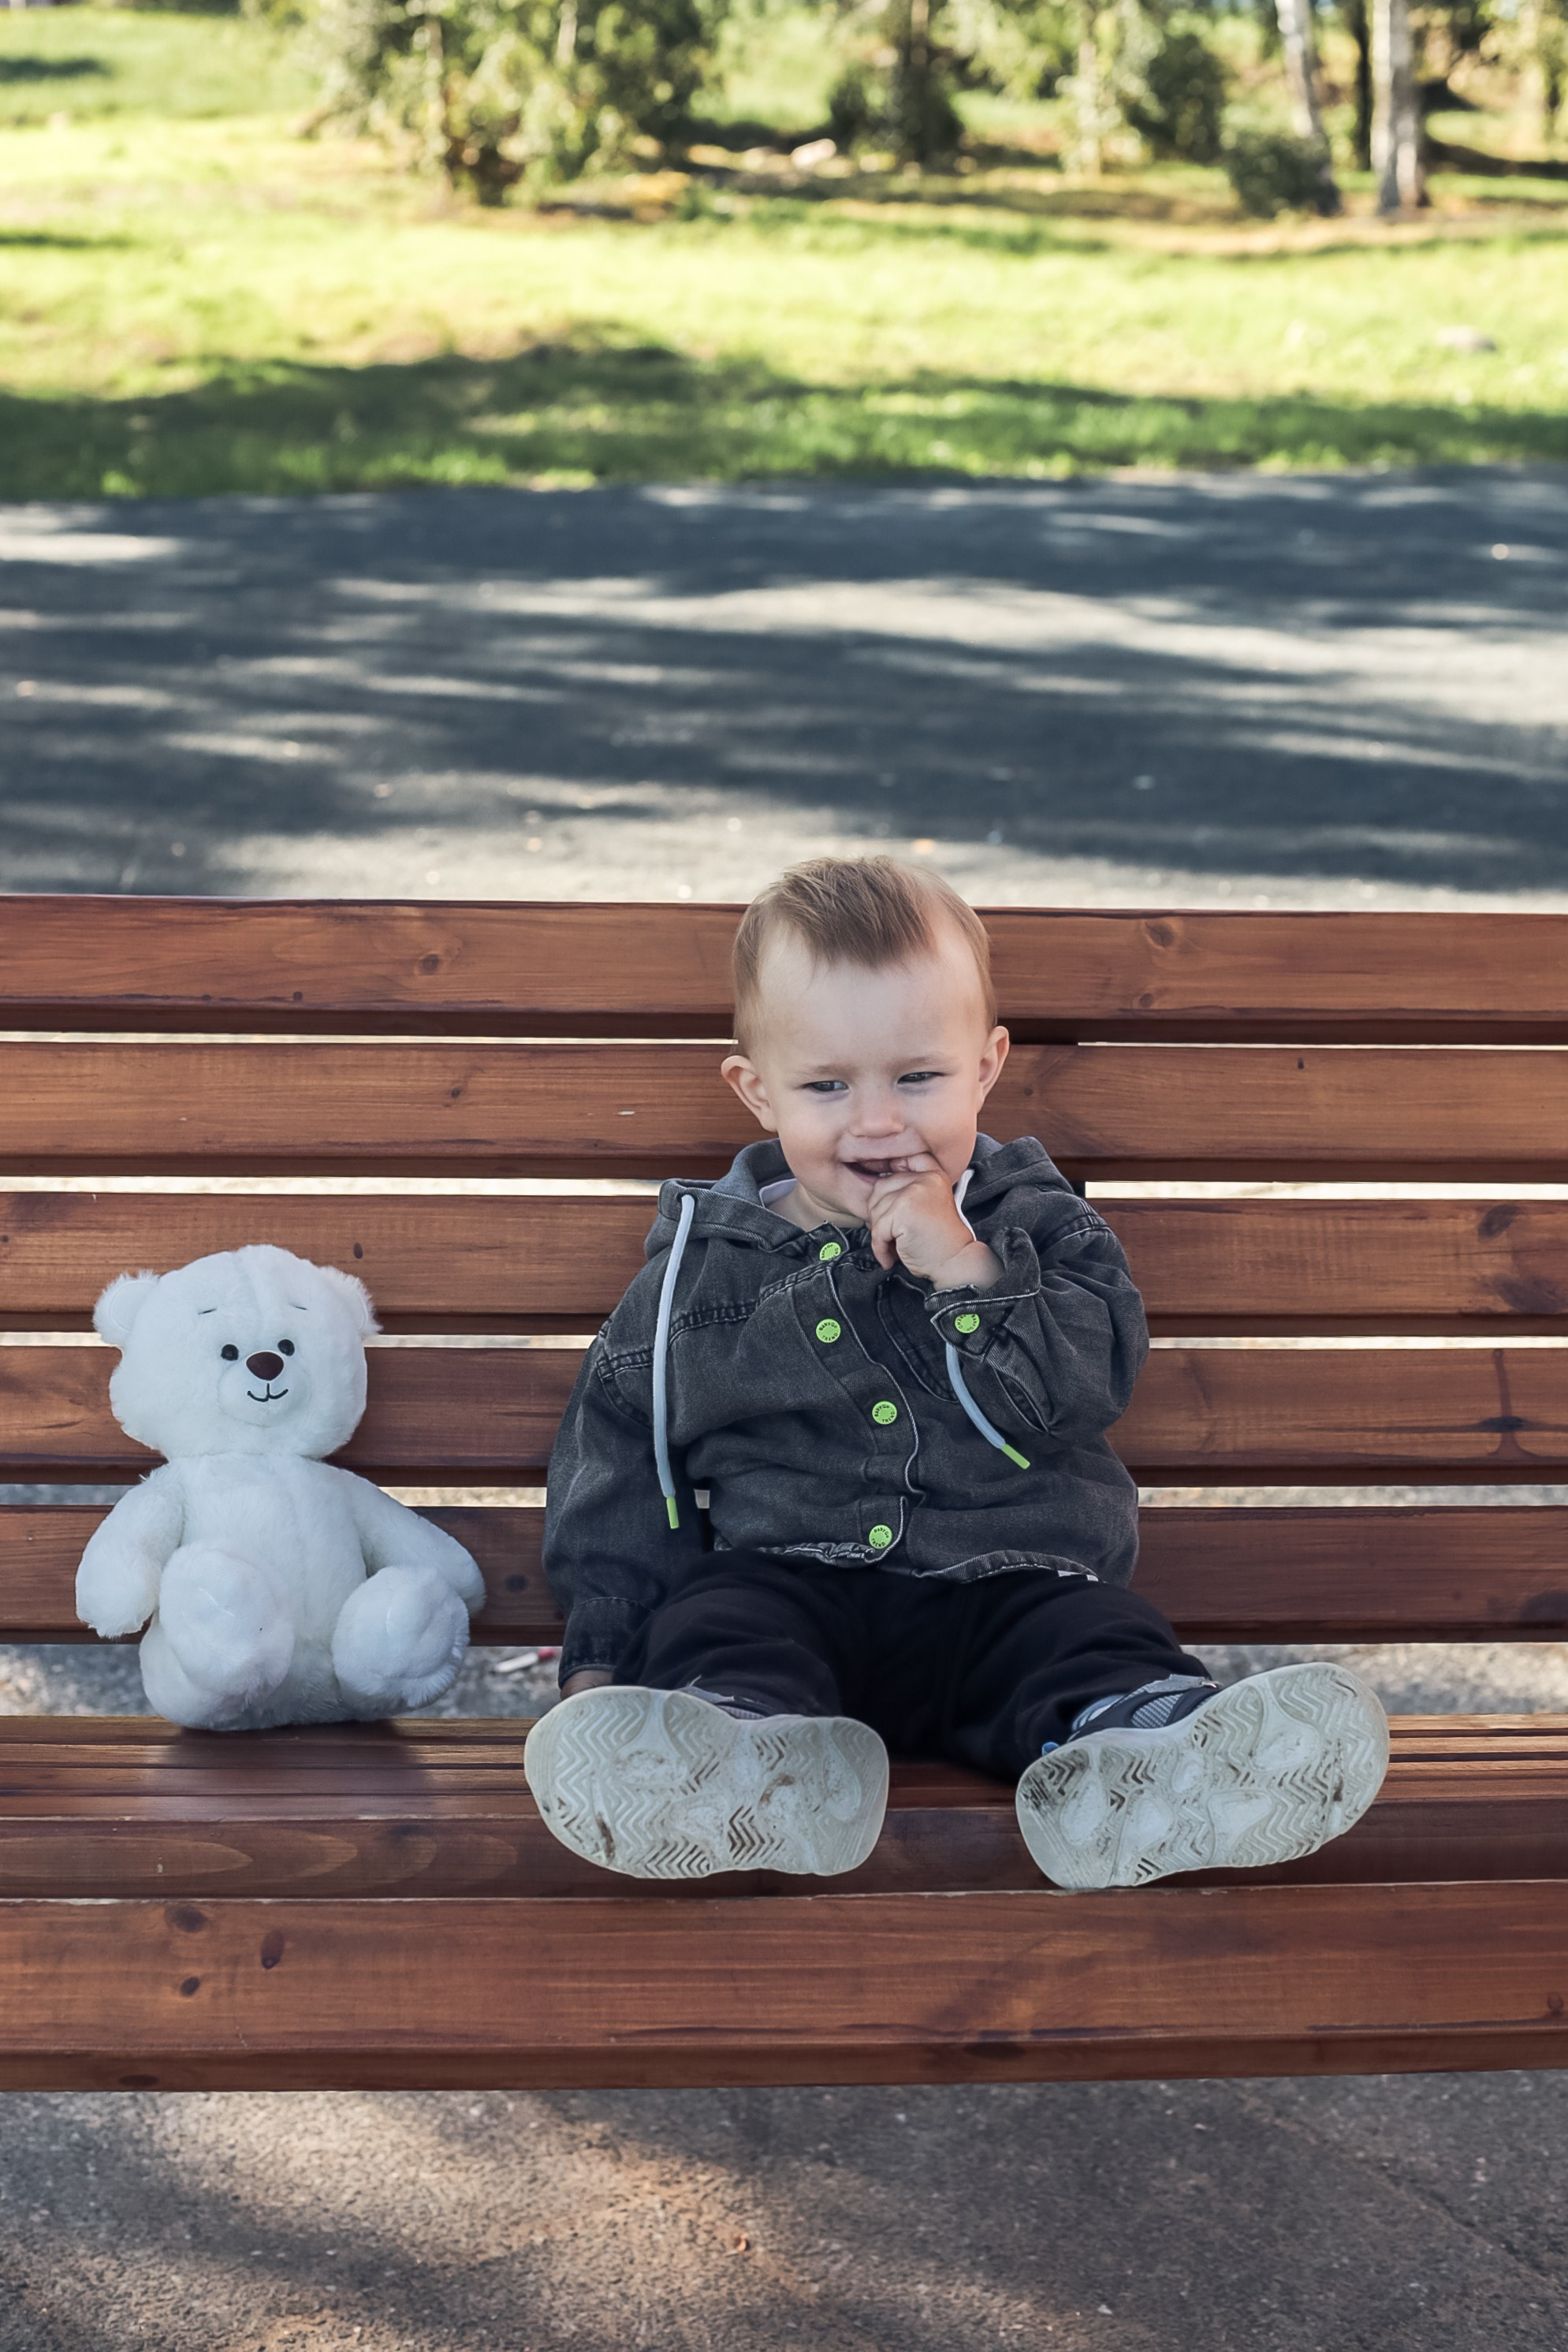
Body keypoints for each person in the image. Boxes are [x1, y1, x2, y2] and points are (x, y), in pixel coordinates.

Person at [525, 855, 1387, 1887]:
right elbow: (627, 1467)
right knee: (719, 1626)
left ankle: (1149, 1750)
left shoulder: (1038, 1230)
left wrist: (971, 1275)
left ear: (984, 1065)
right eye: (827, 1085)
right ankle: (738, 1757)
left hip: (1009, 1586)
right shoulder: (701, 1276)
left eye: (917, 1077)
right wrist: (602, 1663)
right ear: (756, 1091)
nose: (879, 1121)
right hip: (791, 1588)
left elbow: (1078, 1396)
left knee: (1094, 1634)